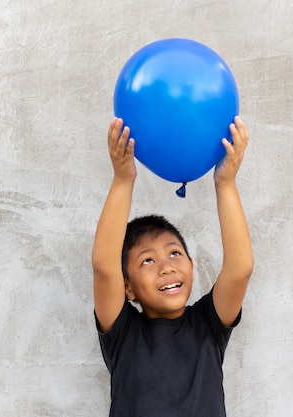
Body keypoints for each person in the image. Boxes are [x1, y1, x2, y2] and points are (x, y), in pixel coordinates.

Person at [91, 116, 253, 417]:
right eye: (148, 261)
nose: (166, 267)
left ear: (191, 265)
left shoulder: (209, 325)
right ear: (127, 286)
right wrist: (123, 180)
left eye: (175, 254)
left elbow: (240, 269)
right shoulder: (123, 332)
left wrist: (226, 183)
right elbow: (104, 266)